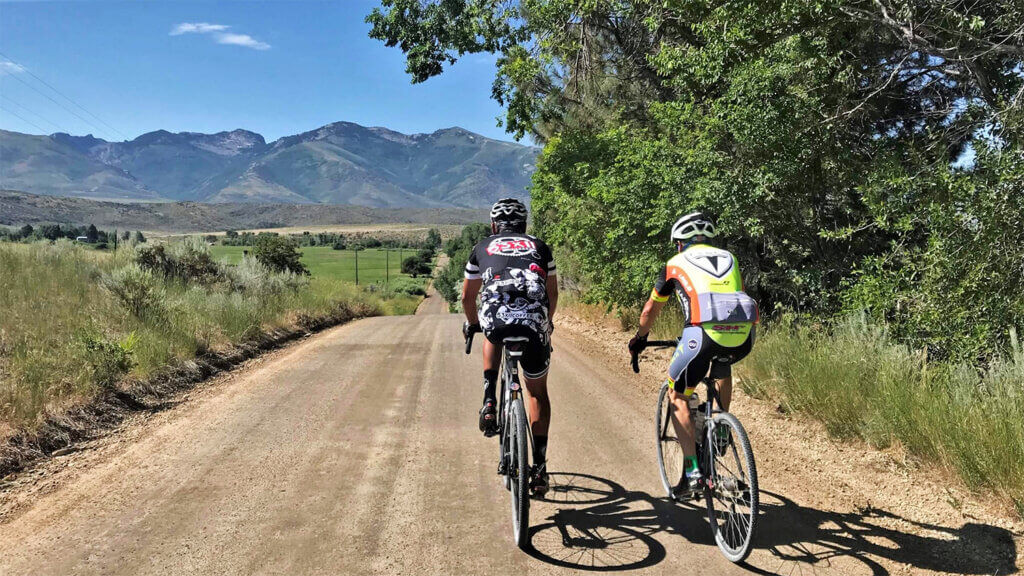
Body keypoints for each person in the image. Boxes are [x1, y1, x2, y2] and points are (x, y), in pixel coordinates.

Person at [627, 212, 758, 496]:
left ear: (680, 243)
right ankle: (721, 425)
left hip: (701, 336)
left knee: (678, 395)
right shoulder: (730, 259)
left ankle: (693, 472)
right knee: (723, 361)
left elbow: (650, 310)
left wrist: (639, 338)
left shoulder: (674, 264)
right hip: (743, 335)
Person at [462, 198, 558, 495]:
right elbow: (552, 294)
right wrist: (546, 323)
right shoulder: (540, 247)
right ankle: (539, 469)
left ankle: (490, 399)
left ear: (494, 226)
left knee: (489, 332)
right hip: (534, 321)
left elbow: (468, 298)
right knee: (537, 393)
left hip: (496, 318)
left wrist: (473, 323)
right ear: (524, 225)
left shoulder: (482, 247)